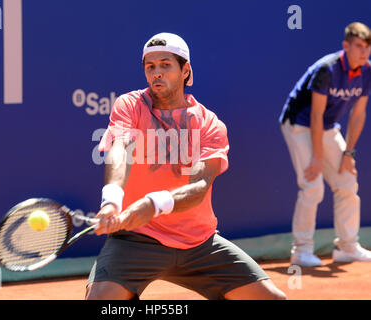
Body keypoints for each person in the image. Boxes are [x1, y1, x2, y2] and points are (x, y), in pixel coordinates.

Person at [85, 32, 286, 300]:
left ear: (185, 70)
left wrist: (152, 205)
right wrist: (111, 200)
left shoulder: (209, 124)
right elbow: (120, 149)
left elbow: (199, 188)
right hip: (136, 239)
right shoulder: (131, 105)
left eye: (165, 65)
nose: (157, 73)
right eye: (150, 67)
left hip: (199, 243)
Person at [279, 22, 371, 267]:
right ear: (346, 46)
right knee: (312, 185)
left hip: (327, 127)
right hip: (299, 124)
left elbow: (358, 114)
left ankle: (347, 247)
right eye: (359, 46)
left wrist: (348, 153)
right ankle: (301, 251)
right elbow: (316, 115)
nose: (364, 52)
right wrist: (317, 157)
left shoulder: (367, 71)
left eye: (368, 47)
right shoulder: (327, 69)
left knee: (347, 181)